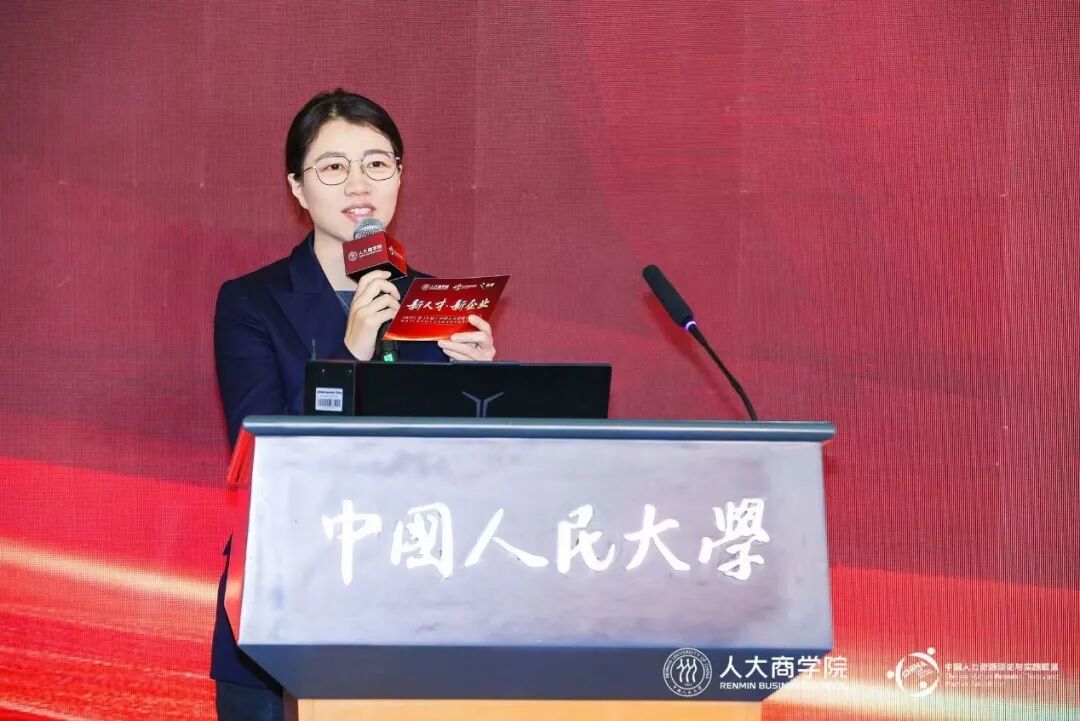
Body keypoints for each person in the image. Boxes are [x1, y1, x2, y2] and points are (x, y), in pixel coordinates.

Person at [210, 89, 496, 721]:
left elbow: (472, 474)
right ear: (297, 187)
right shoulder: (252, 303)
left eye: (377, 163)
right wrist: (351, 353)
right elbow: (259, 454)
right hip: (287, 596)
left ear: (400, 176)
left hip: (418, 598)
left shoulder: (438, 305)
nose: (359, 183)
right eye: (334, 167)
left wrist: (480, 387)